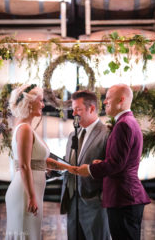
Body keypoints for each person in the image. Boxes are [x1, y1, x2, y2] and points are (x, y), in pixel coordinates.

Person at [76, 84, 151, 240]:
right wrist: (103, 162)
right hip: (126, 197)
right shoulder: (129, 122)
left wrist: (90, 169)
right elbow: (120, 160)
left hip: (123, 198)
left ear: (121, 100)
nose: (104, 102)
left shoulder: (123, 125)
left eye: (108, 98)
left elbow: (117, 164)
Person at [5, 84, 74, 240]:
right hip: (24, 193)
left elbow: (43, 161)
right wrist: (31, 196)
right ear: (30, 102)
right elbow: (23, 166)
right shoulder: (24, 129)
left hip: (32, 192)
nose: (43, 105)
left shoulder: (26, 127)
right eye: (41, 101)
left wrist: (71, 168)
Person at [60, 90, 110, 240]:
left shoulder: (106, 133)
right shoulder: (72, 135)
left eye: (78, 109)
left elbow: (111, 167)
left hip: (95, 204)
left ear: (92, 109)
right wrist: (54, 169)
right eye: (73, 109)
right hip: (72, 202)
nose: (73, 113)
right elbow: (70, 163)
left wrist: (101, 198)